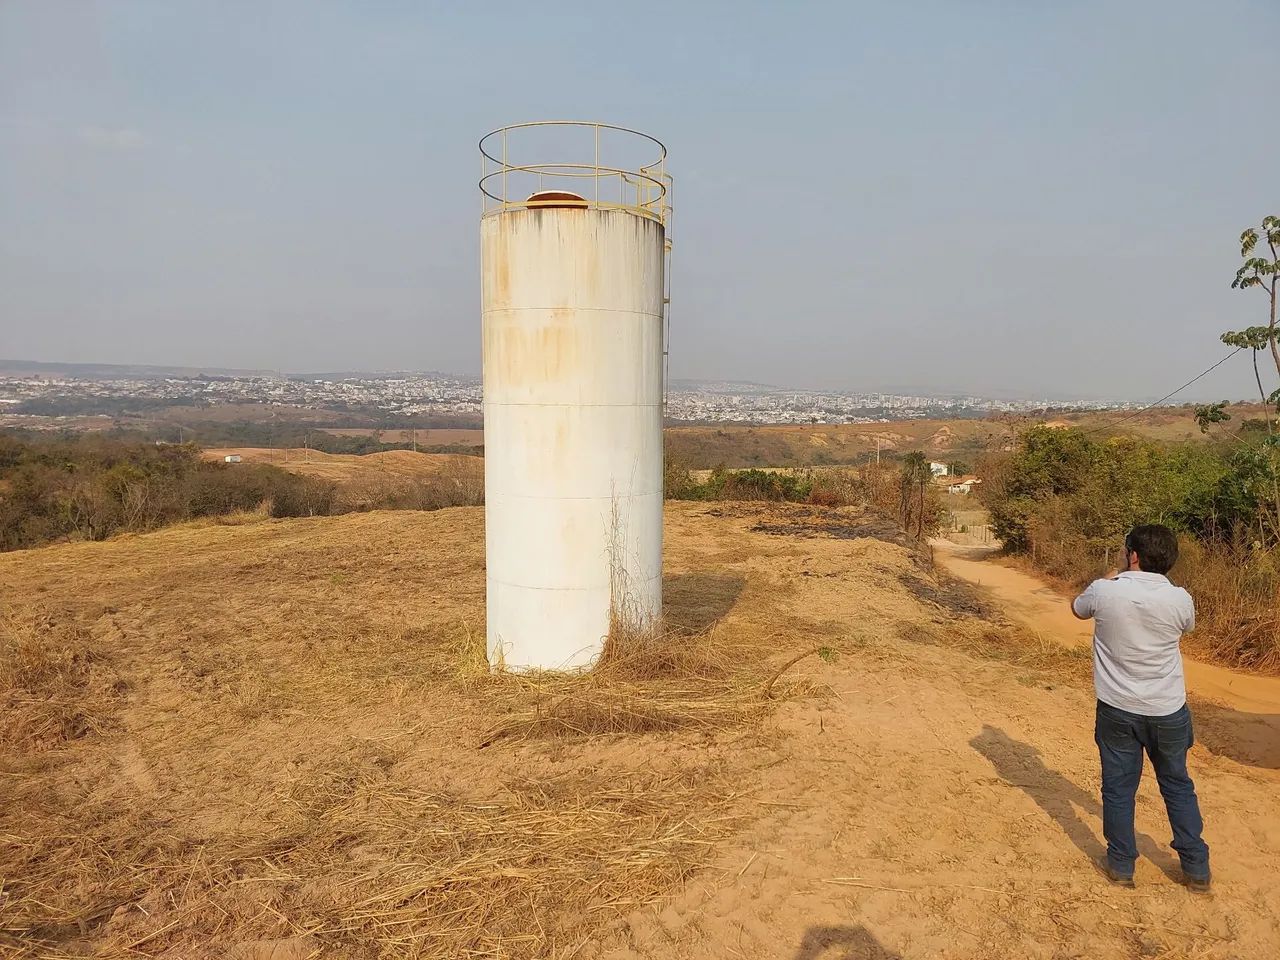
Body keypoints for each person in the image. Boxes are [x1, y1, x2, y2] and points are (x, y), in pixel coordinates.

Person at [1071, 524, 1211, 891]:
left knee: (1118, 789)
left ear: (1132, 555)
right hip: (1167, 710)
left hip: (1117, 708)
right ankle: (1196, 869)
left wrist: (1111, 578)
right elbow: (1188, 628)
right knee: (1177, 786)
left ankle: (1121, 865)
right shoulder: (1181, 599)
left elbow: (1077, 609)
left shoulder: (1104, 591)